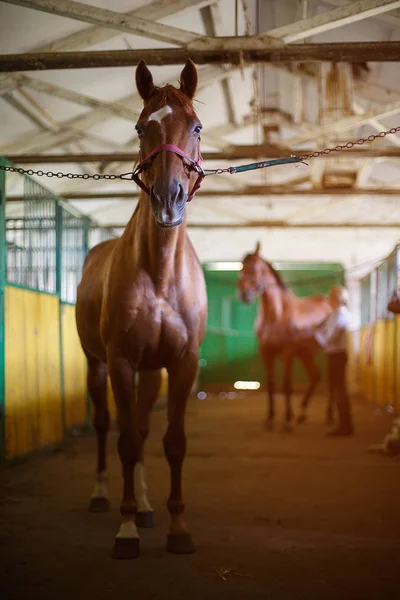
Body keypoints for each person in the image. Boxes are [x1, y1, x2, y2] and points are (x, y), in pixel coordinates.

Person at [314, 285, 354, 436]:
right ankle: (344, 424)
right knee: (337, 389)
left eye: (330, 297)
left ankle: (345, 425)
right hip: (333, 355)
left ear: (337, 299)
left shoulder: (341, 316)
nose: (328, 300)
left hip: (337, 355)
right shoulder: (334, 315)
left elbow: (329, 340)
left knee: (339, 390)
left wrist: (317, 334)